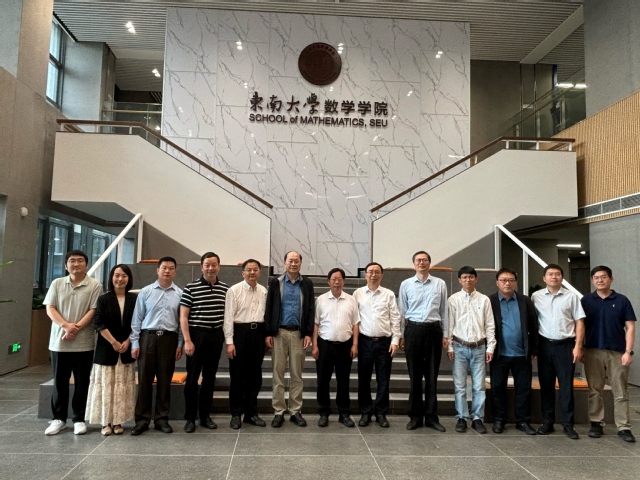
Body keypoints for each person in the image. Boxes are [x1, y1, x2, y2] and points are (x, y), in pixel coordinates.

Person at [43, 250, 102, 435]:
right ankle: (58, 419)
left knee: (82, 383)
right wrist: (66, 326)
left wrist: (74, 328)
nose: (76, 264)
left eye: (80, 261)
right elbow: (50, 308)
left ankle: (79, 419)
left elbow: (93, 310)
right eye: (72, 261)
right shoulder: (57, 283)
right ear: (66, 265)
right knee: (59, 382)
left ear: (86, 264)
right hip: (59, 343)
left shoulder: (95, 285)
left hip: (84, 343)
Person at [581, 265, 636, 443]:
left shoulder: (622, 300)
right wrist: (580, 348)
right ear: (592, 280)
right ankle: (596, 423)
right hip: (592, 351)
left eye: (603, 277)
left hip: (617, 352)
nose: (600, 280)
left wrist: (628, 351)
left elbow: (630, 327)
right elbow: (580, 326)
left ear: (611, 279)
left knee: (620, 391)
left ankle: (624, 427)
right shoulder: (586, 300)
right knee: (594, 390)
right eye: (596, 277)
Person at [531, 263, 585, 440]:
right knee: (546, 385)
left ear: (562, 277)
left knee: (566, 386)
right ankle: (547, 422)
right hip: (545, 346)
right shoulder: (536, 296)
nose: (554, 277)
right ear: (544, 278)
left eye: (557, 274)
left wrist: (578, 346)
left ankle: (568, 424)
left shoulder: (571, 297)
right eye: (550, 274)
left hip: (566, 346)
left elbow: (579, 322)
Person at [130, 257, 183, 435]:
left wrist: (180, 344)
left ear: (175, 271)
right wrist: (135, 343)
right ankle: (142, 420)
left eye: (171, 268)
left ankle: (162, 419)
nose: (167, 271)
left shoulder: (180, 294)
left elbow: (182, 322)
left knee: (165, 381)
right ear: (157, 270)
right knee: (144, 380)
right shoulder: (146, 292)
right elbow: (137, 319)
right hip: (148, 338)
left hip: (169, 339)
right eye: (164, 268)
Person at [398, 251, 448, 432]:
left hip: (434, 330)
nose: (422, 263)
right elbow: (402, 311)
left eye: (425, 260)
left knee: (432, 376)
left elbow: (444, 311)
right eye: (418, 260)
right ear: (414, 264)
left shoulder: (440, 284)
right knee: (415, 376)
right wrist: (401, 335)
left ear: (429, 263)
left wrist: (445, 334)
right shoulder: (406, 284)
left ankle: (432, 417)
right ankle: (415, 417)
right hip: (413, 330)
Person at [264, 251, 315, 428]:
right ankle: (278, 411)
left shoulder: (307, 283)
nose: (293, 264)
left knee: (296, 375)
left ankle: (295, 411)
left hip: (298, 334)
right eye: (290, 261)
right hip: (279, 333)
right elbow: (269, 307)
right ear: (284, 262)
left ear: (301, 263)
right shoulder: (276, 282)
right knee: (277, 374)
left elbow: (310, 309)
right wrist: (268, 332)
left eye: (296, 261)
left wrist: (308, 333)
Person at [86, 264, 137, 436]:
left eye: (124, 276)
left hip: (126, 350)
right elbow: (99, 323)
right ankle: (105, 422)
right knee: (106, 387)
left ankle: (118, 421)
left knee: (121, 388)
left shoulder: (134, 299)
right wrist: (114, 342)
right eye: (117, 275)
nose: (120, 279)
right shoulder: (103, 299)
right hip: (106, 349)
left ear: (129, 278)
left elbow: (138, 323)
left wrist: (128, 341)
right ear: (111, 277)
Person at [180, 252, 228, 433]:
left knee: (209, 378)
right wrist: (187, 340)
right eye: (207, 265)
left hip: (215, 335)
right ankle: (190, 418)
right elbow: (183, 317)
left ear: (219, 267)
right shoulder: (191, 288)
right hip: (196, 335)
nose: (210, 268)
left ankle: (205, 416)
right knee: (192, 378)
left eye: (214, 264)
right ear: (201, 267)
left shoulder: (225, 289)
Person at [488, 268, 538, 435]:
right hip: (499, 353)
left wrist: (533, 348)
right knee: (497, 388)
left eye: (511, 280)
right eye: (503, 280)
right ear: (497, 282)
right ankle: (499, 420)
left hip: (522, 353)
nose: (507, 283)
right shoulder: (490, 301)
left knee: (524, 389)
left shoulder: (525, 301)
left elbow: (533, 325)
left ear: (515, 282)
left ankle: (523, 421)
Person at [447, 266, 496, 434]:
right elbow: (450, 324)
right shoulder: (453, 299)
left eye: (471, 277)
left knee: (479, 386)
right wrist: (450, 346)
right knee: (460, 385)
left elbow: (490, 324)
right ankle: (461, 417)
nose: (468, 280)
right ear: (459, 280)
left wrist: (491, 346)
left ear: (476, 279)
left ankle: (477, 418)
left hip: (479, 347)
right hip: (459, 346)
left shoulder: (484, 300)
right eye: (464, 277)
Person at [352, 262, 401, 428]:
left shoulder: (388, 294)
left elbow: (395, 318)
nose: (373, 275)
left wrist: (395, 341)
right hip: (364, 342)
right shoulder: (357, 294)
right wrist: (355, 343)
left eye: (377, 272)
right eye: (370, 272)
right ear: (365, 274)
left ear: (382, 275)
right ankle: (365, 412)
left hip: (384, 343)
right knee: (364, 379)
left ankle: (381, 412)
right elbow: (354, 320)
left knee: (383, 379)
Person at [312, 268, 359, 427]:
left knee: (343, 381)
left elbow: (355, 324)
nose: (337, 282)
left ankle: (344, 413)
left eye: (339, 279)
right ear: (328, 281)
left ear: (344, 281)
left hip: (345, 346)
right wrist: (314, 345)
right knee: (322, 381)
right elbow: (315, 324)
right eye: (334, 279)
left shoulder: (351, 300)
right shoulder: (321, 300)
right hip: (325, 345)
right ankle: (323, 412)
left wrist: (355, 345)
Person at [224, 259, 268, 429]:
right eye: (249, 270)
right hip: (239, 334)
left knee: (255, 377)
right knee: (237, 377)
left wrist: (266, 336)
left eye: (255, 269)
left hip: (258, 334)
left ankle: (251, 413)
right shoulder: (234, 290)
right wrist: (229, 342)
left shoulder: (263, 291)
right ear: (243, 273)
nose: (252, 272)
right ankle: (236, 414)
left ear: (260, 272)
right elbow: (228, 318)